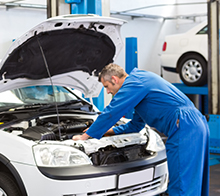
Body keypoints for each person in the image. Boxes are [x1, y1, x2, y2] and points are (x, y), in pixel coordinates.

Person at [72, 63, 209, 196]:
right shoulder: (141, 84)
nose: (107, 91)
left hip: (185, 127)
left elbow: (112, 111)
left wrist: (86, 136)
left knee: (181, 183)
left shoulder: (135, 82)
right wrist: (108, 132)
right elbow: (135, 126)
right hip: (195, 124)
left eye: (107, 86)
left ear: (114, 79)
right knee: (194, 180)